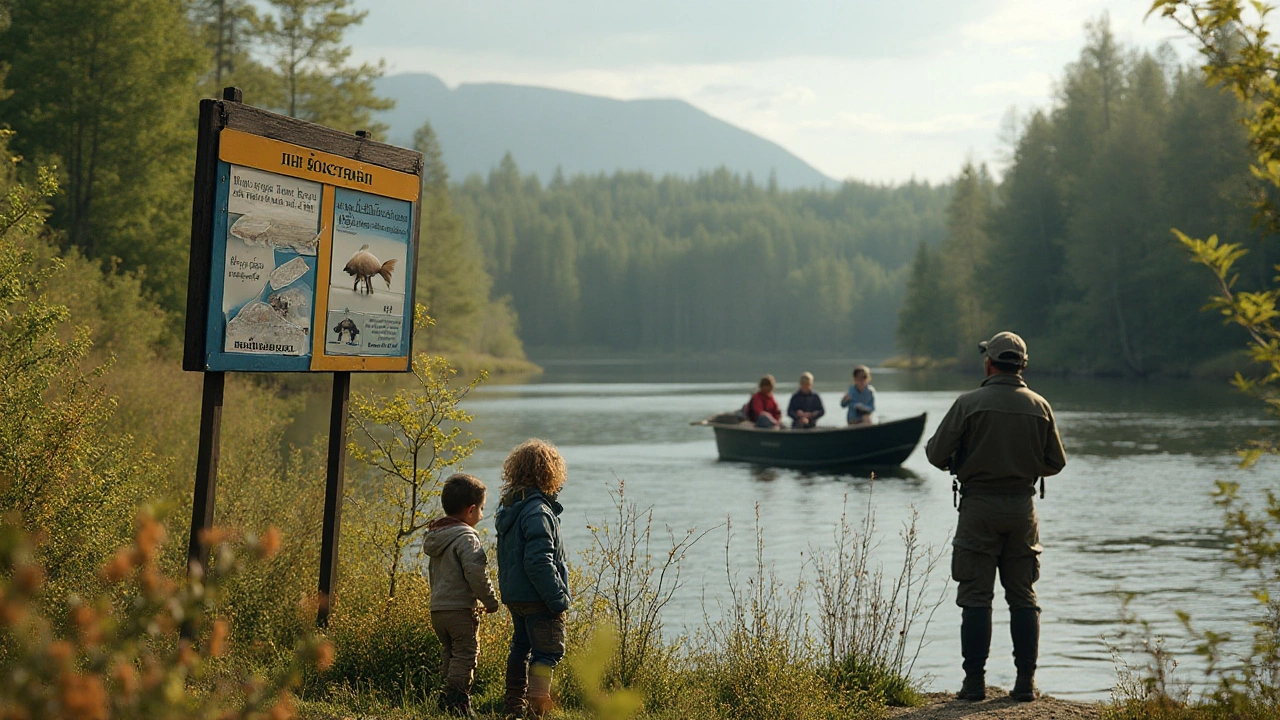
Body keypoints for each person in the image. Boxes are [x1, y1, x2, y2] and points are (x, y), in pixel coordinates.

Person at [924, 332, 1067, 704]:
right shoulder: (1040, 406)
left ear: (989, 363)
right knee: (1022, 595)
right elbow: (1056, 462)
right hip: (1022, 509)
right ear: (1022, 365)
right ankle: (1025, 685)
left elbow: (936, 455)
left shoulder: (968, 404)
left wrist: (966, 462)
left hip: (978, 509)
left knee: (975, 596)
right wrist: (1023, 467)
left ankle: (973, 684)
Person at [496, 439, 571, 719]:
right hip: (538, 597)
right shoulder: (538, 510)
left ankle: (513, 707)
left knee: (520, 648)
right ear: (549, 472)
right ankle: (537, 712)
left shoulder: (510, 507)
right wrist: (557, 599)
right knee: (547, 652)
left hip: (515, 595)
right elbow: (538, 561)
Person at [423, 473, 501, 718]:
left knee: (450, 652)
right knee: (466, 654)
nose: (481, 513)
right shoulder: (467, 537)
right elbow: (475, 572)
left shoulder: (437, 536)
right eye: (481, 508)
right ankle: (456, 701)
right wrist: (490, 600)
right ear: (470, 510)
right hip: (459, 609)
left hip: (438, 609)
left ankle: (445, 699)